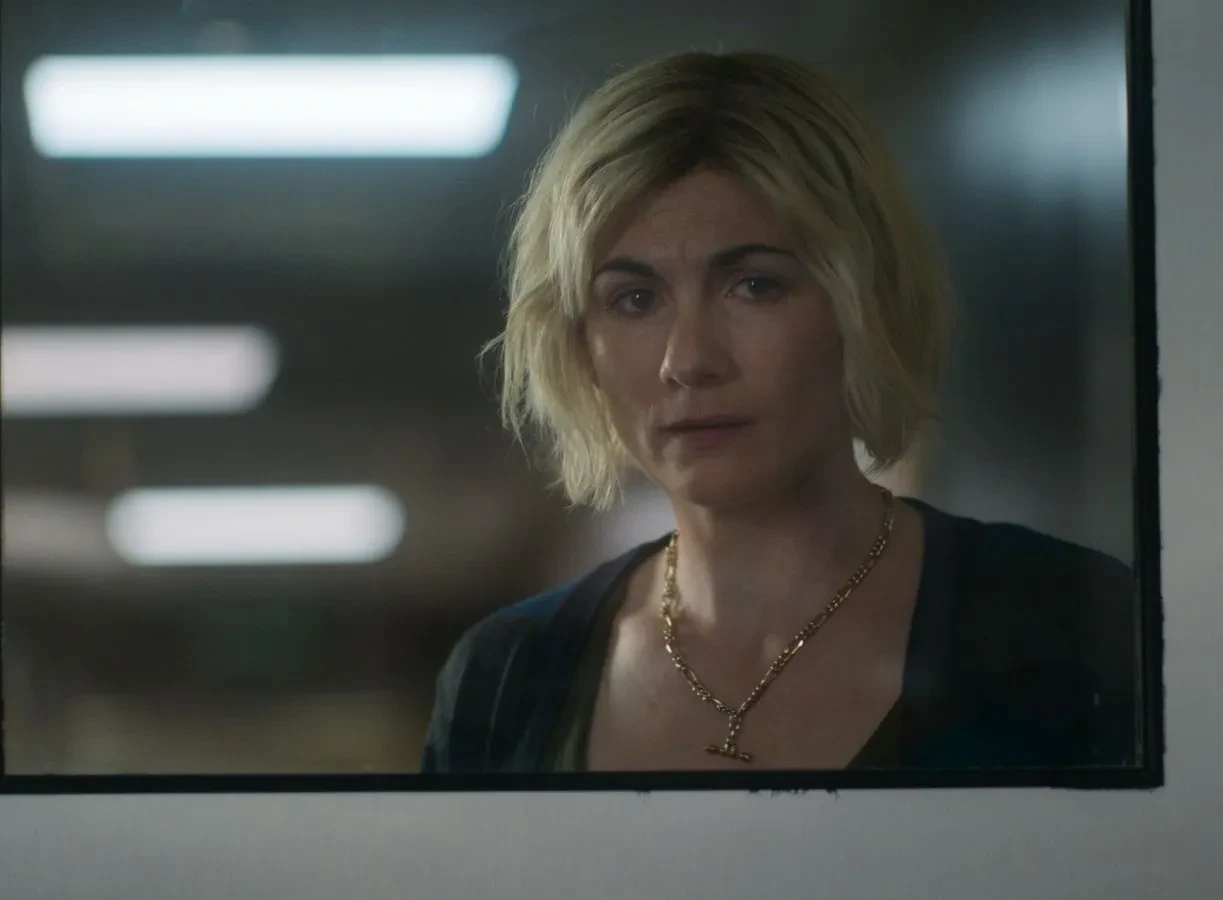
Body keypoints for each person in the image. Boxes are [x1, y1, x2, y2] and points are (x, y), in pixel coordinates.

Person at [421, 50, 1136, 773]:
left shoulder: (1071, 626)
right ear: (581, 347)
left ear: (861, 304)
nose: (689, 360)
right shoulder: (508, 679)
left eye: (754, 285)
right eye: (634, 300)